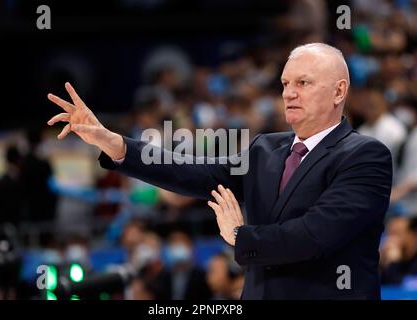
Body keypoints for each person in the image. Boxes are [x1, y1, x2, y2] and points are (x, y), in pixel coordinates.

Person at [47, 43, 393, 299]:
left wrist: (241, 236)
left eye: (303, 83)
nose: (289, 93)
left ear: (339, 90)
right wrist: (115, 144)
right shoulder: (265, 149)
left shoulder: (365, 156)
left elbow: (315, 236)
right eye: (285, 84)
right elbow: (195, 172)